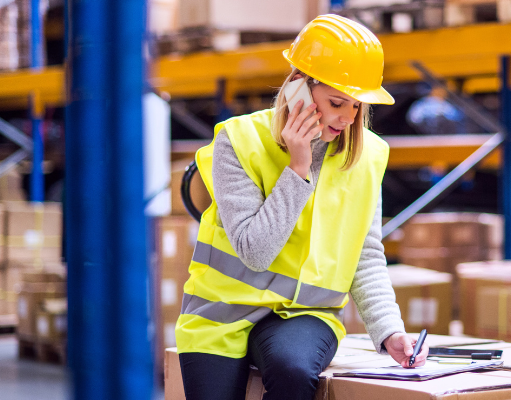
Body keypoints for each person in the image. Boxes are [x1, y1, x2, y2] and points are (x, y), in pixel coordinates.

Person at [175, 14, 429, 400]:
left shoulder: (368, 156)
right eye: (336, 102)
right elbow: (255, 252)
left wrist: (390, 331)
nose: (347, 118)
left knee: (293, 370)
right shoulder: (238, 141)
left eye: (357, 106)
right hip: (220, 314)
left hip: (305, 315)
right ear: (298, 88)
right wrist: (298, 167)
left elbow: (365, 254)